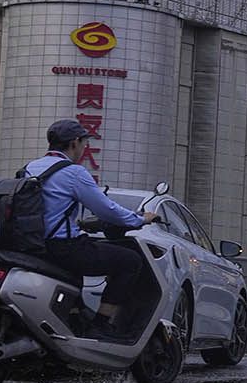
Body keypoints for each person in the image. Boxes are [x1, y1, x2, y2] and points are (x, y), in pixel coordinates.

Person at [27, 119, 160, 340]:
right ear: (74, 143)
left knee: (83, 256)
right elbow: (107, 209)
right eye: (83, 143)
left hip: (31, 245)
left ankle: (74, 314)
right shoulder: (73, 172)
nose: (83, 149)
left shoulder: (29, 168)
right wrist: (139, 220)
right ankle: (101, 324)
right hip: (62, 247)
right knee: (129, 261)